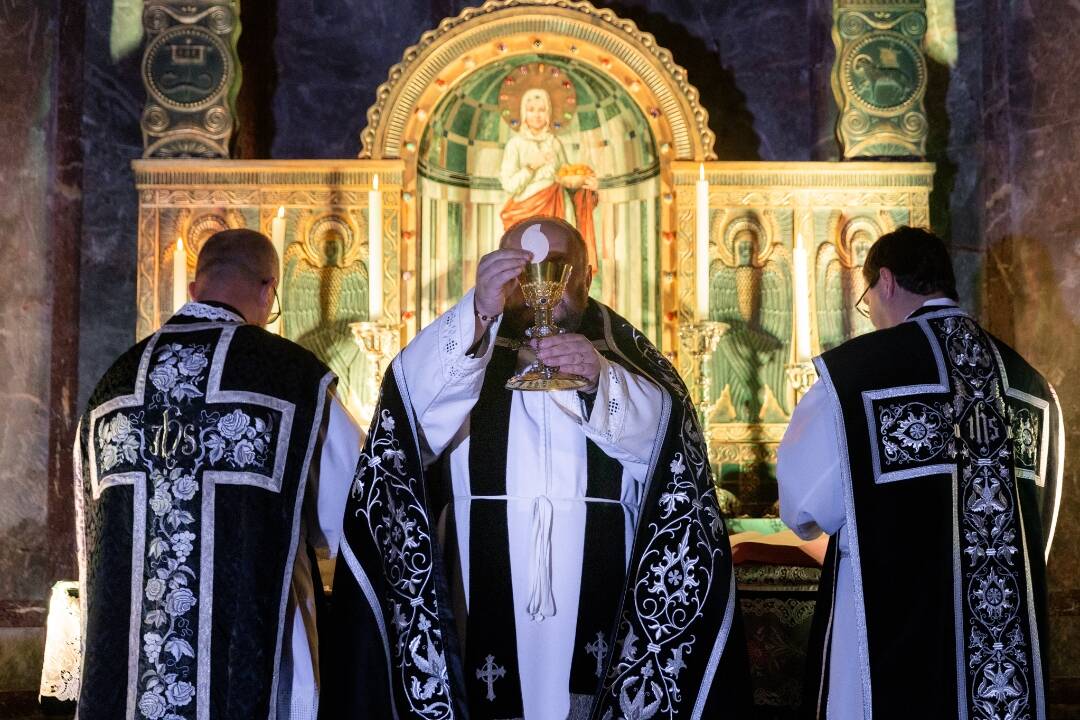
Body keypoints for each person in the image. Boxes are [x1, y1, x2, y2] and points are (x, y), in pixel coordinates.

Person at [324, 217, 749, 719]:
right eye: (521, 269)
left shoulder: (622, 352)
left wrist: (601, 380)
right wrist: (478, 312)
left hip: (601, 570)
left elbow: (670, 454)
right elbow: (407, 422)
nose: (540, 287)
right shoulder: (465, 342)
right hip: (474, 564)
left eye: (559, 270)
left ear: (587, 277)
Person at [73, 229, 363, 719]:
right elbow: (352, 508)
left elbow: (91, 531)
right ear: (270, 290)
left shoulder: (113, 385)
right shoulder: (291, 378)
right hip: (251, 645)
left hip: (127, 666)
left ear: (193, 288)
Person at [777, 226, 1064, 719]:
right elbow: (1041, 531)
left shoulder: (854, 379)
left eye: (867, 301)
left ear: (884, 281)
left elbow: (802, 503)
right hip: (1001, 662)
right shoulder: (1033, 388)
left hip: (888, 639)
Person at [499, 87, 599, 272]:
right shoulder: (515, 144)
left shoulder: (554, 143)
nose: (536, 115)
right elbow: (509, 184)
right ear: (523, 113)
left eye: (542, 110)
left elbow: (565, 177)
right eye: (531, 110)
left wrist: (586, 187)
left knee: (558, 260)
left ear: (549, 113)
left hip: (558, 207)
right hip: (524, 211)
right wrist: (531, 167)